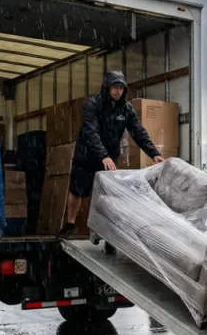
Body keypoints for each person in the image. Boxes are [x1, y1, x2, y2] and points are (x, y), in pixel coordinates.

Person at [58, 71, 164, 239]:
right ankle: (71, 224)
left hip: (109, 158)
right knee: (77, 191)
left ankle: (103, 229)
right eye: (115, 87)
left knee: (105, 193)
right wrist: (103, 155)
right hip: (86, 155)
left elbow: (138, 131)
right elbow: (90, 132)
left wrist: (154, 153)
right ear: (107, 87)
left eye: (121, 88)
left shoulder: (126, 108)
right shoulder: (92, 104)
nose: (118, 91)